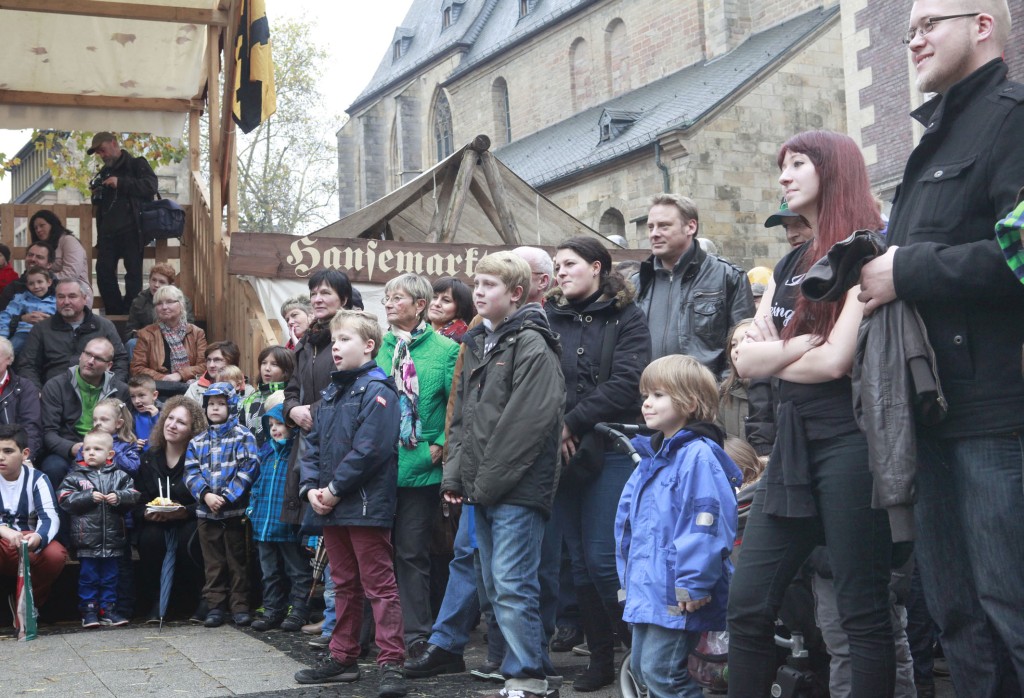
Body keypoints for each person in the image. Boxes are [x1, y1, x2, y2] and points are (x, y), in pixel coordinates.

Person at [856, 3, 1024, 693]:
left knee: (1011, 609)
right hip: (933, 413)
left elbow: (1022, 253)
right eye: (908, 30)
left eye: (929, 25)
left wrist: (907, 270)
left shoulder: (1013, 119)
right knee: (959, 619)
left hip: (997, 418)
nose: (914, 41)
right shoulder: (936, 136)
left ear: (982, 25)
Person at [727, 130, 894, 697]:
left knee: (861, 611)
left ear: (834, 169)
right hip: (792, 449)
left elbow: (836, 361)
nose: (784, 176)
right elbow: (744, 358)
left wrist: (776, 355)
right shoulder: (788, 262)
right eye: (783, 165)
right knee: (747, 605)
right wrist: (798, 348)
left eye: (798, 163)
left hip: (851, 443)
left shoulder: (865, 251)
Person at [442, 251, 565, 698]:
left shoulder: (532, 343)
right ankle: (525, 672)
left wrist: (483, 485)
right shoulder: (479, 342)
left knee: (513, 584)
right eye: (476, 283)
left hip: (517, 488)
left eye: (489, 285)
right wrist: (455, 478)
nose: (478, 292)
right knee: (494, 585)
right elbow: (462, 418)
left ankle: (530, 676)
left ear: (516, 293)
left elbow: (526, 426)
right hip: (484, 488)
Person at [545, 236, 651, 691]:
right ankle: (602, 659)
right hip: (563, 452)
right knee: (580, 565)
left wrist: (571, 423)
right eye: (556, 266)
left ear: (596, 267)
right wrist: (557, 428)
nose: (560, 272)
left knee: (606, 561)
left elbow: (628, 382)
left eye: (569, 264)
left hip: (611, 449)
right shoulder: (548, 316)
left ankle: (643, 654)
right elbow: (540, 381)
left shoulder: (627, 316)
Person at [293, 309, 407, 698]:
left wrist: (334, 489)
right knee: (342, 583)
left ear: (369, 345)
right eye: (334, 341)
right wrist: (311, 489)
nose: (336, 347)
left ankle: (392, 662)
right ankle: (343, 657)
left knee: (379, 585)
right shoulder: (331, 392)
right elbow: (312, 445)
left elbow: (370, 450)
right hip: (331, 504)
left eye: (345, 340)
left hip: (364, 505)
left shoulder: (379, 391)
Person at [616, 355, 742, 698]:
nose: (647, 403)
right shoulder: (652, 458)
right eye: (646, 395)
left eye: (658, 395)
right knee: (643, 668)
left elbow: (706, 524)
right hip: (650, 586)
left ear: (690, 402)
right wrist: (628, 580)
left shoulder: (697, 455)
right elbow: (629, 526)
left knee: (663, 674)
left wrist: (693, 584)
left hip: (677, 592)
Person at [375, 273, 459, 656]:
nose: (389, 304)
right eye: (387, 298)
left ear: (419, 305)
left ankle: (415, 635)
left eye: (398, 298)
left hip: (421, 467)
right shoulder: (378, 347)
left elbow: (457, 406)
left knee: (411, 553)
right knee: (375, 555)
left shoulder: (445, 350)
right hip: (377, 467)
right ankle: (374, 635)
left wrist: (439, 444)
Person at [632, 193, 755, 376]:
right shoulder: (637, 283)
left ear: (690, 227)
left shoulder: (727, 276)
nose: (654, 234)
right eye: (651, 227)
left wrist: (720, 389)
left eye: (664, 226)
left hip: (705, 391)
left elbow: (745, 346)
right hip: (646, 391)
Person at [184, 382, 258, 628]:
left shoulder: (243, 436)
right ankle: (215, 606)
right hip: (206, 513)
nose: (215, 408)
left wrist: (227, 496)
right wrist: (205, 495)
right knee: (213, 563)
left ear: (232, 406)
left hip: (235, 512)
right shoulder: (197, 441)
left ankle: (240, 606)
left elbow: (249, 468)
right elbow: (191, 472)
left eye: (221, 404)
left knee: (238, 561)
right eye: (211, 404)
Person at [134, 397, 208, 623]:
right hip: (158, 520)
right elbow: (138, 500)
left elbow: (207, 500)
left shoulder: (200, 459)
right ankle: (160, 600)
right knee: (149, 538)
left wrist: (185, 511)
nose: (172, 425)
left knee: (189, 537)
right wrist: (146, 513)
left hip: (190, 518)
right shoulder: (150, 458)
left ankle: (201, 598)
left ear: (193, 430)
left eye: (181, 422)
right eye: (170, 418)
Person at [57, 429, 140, 627]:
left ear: (110, 454)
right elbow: (64, 498)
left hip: (113, 539)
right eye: (87, 449)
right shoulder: (75, 476)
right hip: (87, 540)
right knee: (88, 577)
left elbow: (134, 495)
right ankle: (89, 611)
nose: (91, 453)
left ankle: (108, 610)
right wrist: (87, 497)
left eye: (97, 449)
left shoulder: (120, 476)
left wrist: (119, 497)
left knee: (111, 577)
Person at [248, 398, 313, 632]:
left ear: (292, 426)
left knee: (297, 570)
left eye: (280, 424)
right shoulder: (266, 454)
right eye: (271, 425)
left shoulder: (297, 454)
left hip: (287, 525)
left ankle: (299, 610)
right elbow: (256, 485)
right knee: (269, 572)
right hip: (263, 525)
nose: (275, 429)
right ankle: (272, 609)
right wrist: (252, 509)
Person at [39, 337, 130, 489]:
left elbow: (127, 430)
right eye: (88, 354)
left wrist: (107, 449)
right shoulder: (56, 386)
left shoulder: (120, 390)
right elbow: (48, 432)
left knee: (128, 467)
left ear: (109, 366)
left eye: (98, 358)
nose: (90, 361)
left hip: (109, 449)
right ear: (81, 355)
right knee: (53, 467)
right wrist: (72, 448)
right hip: (68, 448)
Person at [87, 131, 158, 314]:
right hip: (108, 232)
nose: (102, 155)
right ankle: (115, 312)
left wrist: (120, 182)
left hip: (132, 229)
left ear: (113, 143)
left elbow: (150, 186)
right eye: (99, 153)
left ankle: (130, 313)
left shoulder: (136, 164)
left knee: (133, 274)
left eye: (102, 150)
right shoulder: (104, 172)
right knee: (103, 272)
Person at [0, 424, 66, 616]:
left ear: (25, 454)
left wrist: (38, 537)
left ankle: (27, 603)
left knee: (55, 554)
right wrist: (4, 530)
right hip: (2, 544)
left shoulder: (38, 479)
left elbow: (50, 517)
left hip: (27, 544)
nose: (1, 457)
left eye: (8, 451)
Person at [15, 279, 128, 390]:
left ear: (84, 299)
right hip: (53, 393)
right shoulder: (41, 329)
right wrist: (36, 392)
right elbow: (27, 365)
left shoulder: (104, 326)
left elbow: (120, 360)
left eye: (72, 296)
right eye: (61, 297)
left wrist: (112, 388)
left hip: (96, 391)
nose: (66, 302)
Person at [131, 285, 207, 396]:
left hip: (190, 389)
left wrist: (180, 375)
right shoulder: (146, 334)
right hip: (158, 390)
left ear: (181, 304)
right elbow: (137, 368)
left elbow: (204, 366)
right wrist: (164, 378)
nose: (164, 307)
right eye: (159, 303)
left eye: (169, 302)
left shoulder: (197, 333)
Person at [28, 210, 91, 305]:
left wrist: (45, 279)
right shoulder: (42, 247)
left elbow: (72, 274)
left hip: (76, 290)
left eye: (42, 225)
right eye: (35, 228)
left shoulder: (69, 241)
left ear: (52, 224)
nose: (38, 230)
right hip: (46, 289)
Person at [239, 345, 294, 446]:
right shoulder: (250, 400)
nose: (267, 368)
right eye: (264, 363)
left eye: (274, 364)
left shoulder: (291, 399)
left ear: (286, 370)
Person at [0, 337, 43, 459]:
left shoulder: (25, 388)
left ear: (9, 359)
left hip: (13, 455)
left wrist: (25, 458)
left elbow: (31, 428)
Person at [125, 263, 195, 336]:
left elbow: (189, 328)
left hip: (175, 338)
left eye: (162, 282)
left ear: (170, 285)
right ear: (149, 280)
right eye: (154, 280)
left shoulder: (181, 300)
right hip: (146, 339)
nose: (156, 285)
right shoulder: (139, 301)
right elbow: (129, 332)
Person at [0, 267, 56, 356]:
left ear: (49, 282)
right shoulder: (21, 298)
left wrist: (52, 320)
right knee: (7, 351)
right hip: (25, 332)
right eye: (31, 283)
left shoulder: (56, 299)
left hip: (50, 334)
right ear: (27, 285)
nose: (36, 286)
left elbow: (65, 317)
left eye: (40, 282)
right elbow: (6, 315)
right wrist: (2, 338)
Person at [0, 241, 53, 314]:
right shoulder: (14, 288)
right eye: (30, 255)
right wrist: (22, 318)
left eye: (39, 257)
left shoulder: (58, 288)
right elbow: (3, 315)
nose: (33, 259)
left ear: (49, 264)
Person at [428, 277, 474, 341]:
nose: (436, 303)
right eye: (434, 297)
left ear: (460, 309)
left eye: (446, 300)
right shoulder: (418, 329)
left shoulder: (464, 340)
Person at [128, 375, 162, 450]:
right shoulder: (130, 417)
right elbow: (125, 440)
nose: (136, 401)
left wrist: (156, 418)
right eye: (132, 396)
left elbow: (165, 438)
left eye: (141, 395)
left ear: (154, 395)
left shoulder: (165, 413)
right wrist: (133, 444)